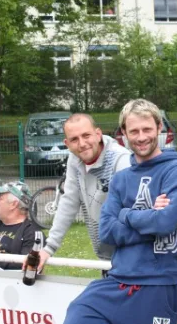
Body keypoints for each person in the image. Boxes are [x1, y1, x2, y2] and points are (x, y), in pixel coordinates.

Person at [57, 99, 177, 324]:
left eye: (147, 129)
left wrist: (126, 214)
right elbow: (106, 231)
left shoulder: (175, 171)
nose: (141, 137)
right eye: (134, 131)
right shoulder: (121, 178)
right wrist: (148, 217)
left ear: (159, 127)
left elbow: (165, 223)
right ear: (123, 135)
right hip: (116, 280)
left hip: (156, 285)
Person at [24, 113, 130, 273]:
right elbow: (69, 201)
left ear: (98, 134)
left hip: (132, 256)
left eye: (86, 135)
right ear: (67, 144)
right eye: (74, 139)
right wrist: (48, 249)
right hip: (106, 258)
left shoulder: (121, 160)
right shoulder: (75, 159)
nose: (82, 144)